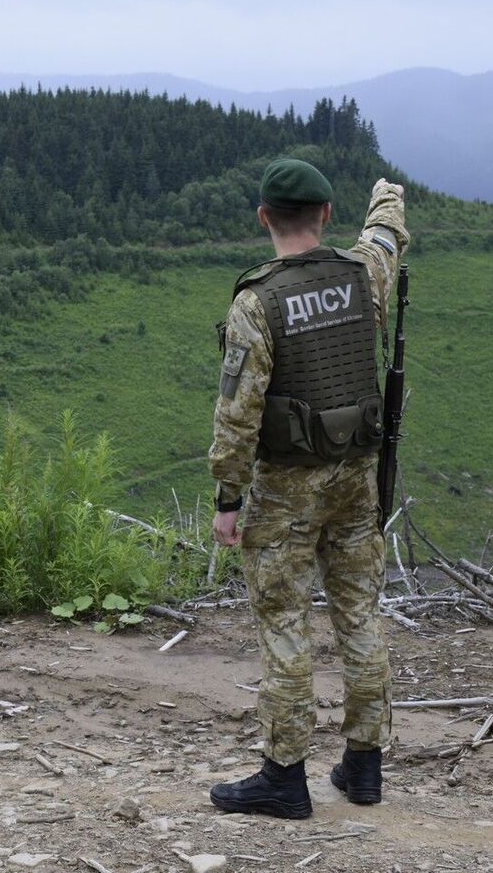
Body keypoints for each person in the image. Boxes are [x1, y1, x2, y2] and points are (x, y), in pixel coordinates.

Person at [208, 160, 407, 818]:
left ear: (264, 217)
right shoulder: (362, 275)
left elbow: (237, 414)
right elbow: (384, 238)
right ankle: (366, 766)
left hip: (287, 492)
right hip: (356, 484)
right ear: (326, 216)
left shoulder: (256, 304)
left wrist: (227, 498)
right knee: (360, 615)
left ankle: (285, 775)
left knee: (286, 623)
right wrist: (386, 198)